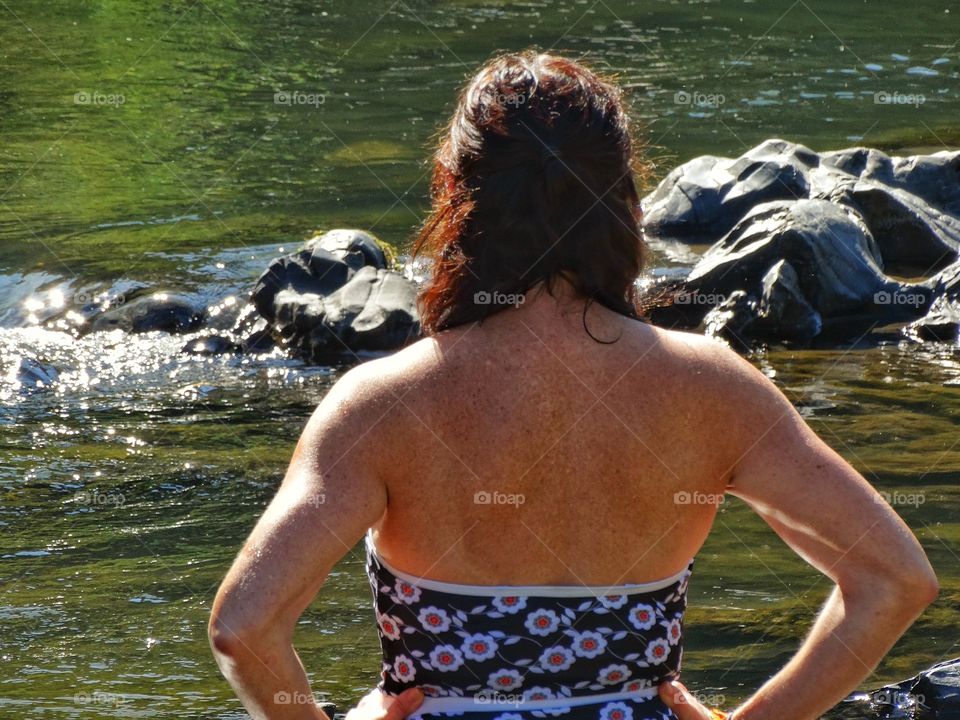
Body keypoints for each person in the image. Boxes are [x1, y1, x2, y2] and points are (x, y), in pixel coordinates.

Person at [208, 51, 939, 720]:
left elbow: (245, 629)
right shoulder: (715, 387)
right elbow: (895, 580)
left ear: (457, 199)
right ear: (623, 197)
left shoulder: (380, 404)